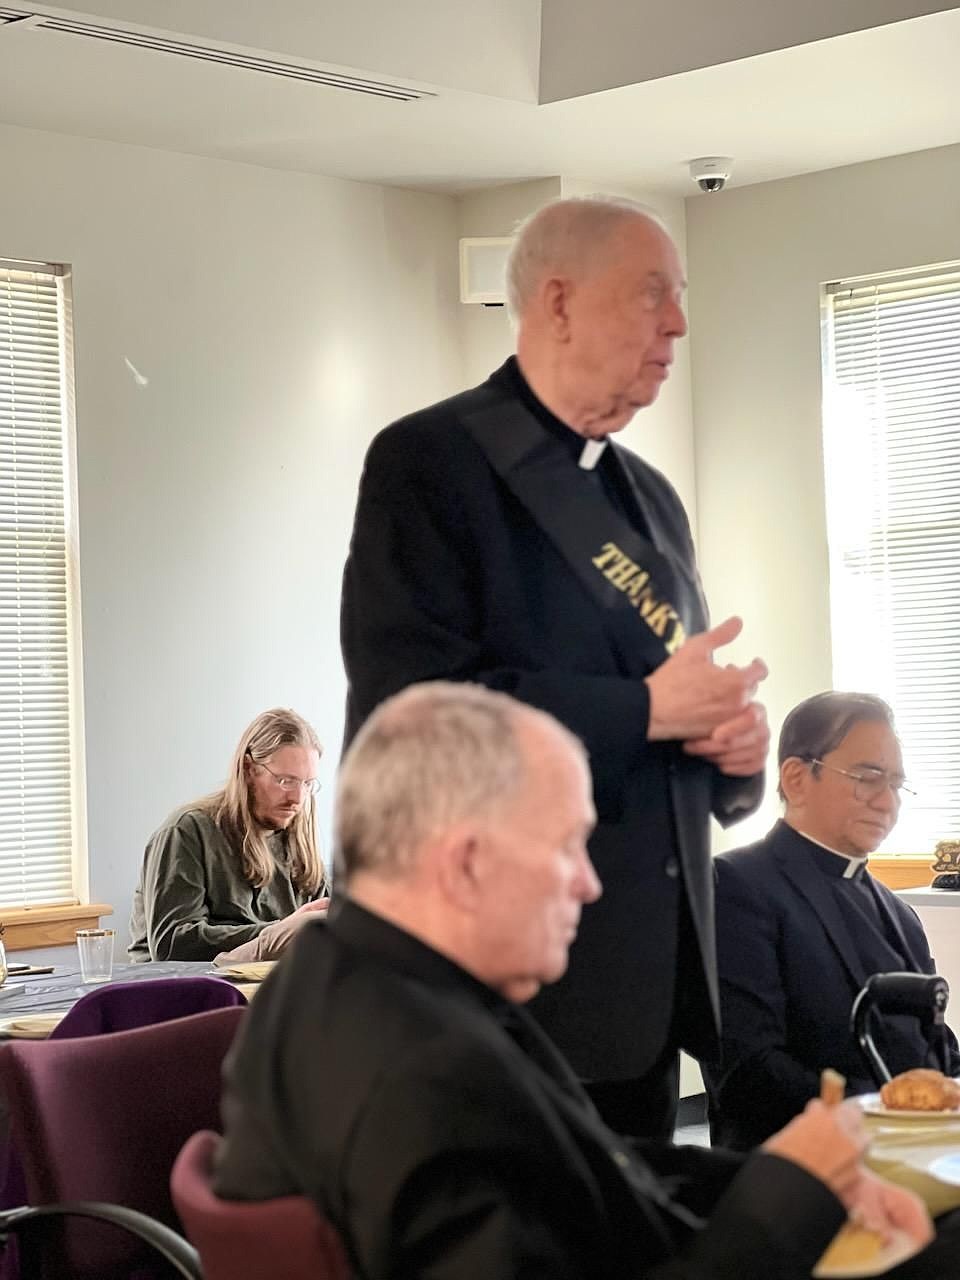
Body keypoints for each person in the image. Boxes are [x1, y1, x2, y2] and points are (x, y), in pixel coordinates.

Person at [215, 682, 954, 1280]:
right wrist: (792, 1197)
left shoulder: (375, 986)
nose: (589, 884)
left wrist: (787, 1174)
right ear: (466, 860)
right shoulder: (421, 1073)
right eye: (568, 844)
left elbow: (598, 1167)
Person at [340, 195, 769, 1137]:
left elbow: (670, 735)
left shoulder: (649, 498)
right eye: (653, 293)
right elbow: (407, 718)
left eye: (682, 296)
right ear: (560, 302)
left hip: (644, 997)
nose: (680, 324)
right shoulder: (431, 463)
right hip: (501, 995)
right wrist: (647, 710)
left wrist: (733, 755)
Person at [704, 691, 960, 1150]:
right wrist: (892, 1111)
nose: (887, 802)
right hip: (804, 1173)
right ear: (797, 778)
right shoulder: (736, 886)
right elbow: (748, 1072)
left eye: (897, 785)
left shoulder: (900, 913)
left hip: (916, 1154)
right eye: (867, 778)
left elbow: (937, 1046)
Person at [128, 707, 329, 962]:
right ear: (248, 769)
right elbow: (171, 945)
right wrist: (277, 935)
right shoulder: (186, 832)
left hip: (273, 990)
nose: (297, 799)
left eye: (307, 784)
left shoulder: (299, 840)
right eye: (285, 781)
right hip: (188, 992)